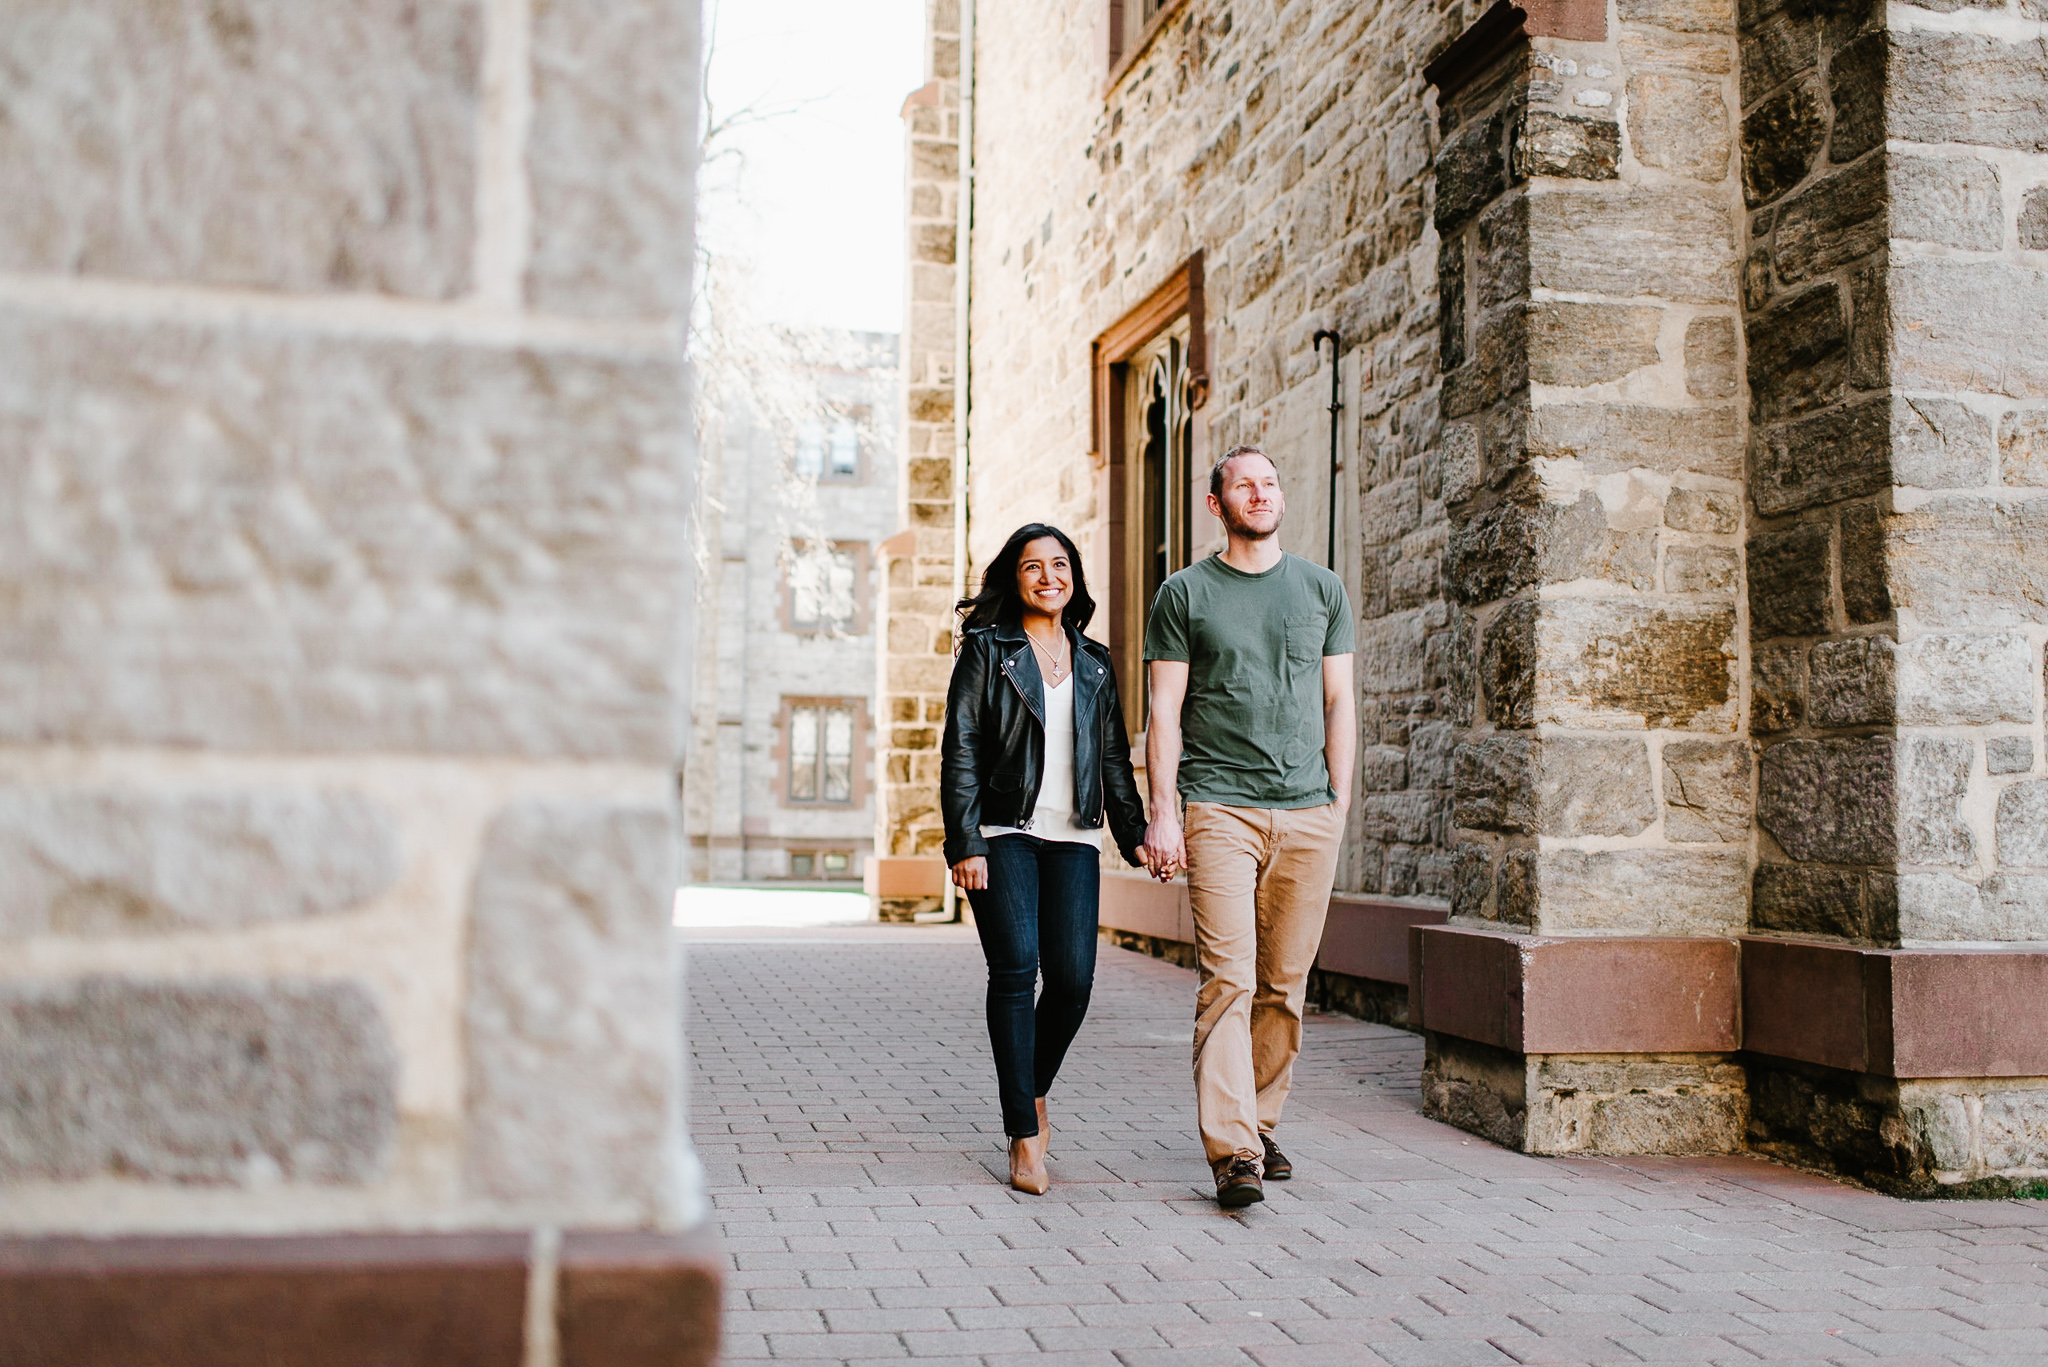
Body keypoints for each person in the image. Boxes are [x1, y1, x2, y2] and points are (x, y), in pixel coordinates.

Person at [1140, 446, 1356, 1208]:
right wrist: (1162, 812)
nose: (1259, 494)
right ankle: (1233, 1150)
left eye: (1269, 482)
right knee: (1228, 980)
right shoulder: (1185, 594)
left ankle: (1259, 1124)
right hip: (1219, 806)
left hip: (1308, 810)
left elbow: (1339, 701)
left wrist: (1339, 801)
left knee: (1285, 983)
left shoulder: (1322, 589)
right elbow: (1163, 709)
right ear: (1216, 503)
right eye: (1243, 485)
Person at [941, 523, 1149, 1195]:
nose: (1048, 576)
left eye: (1059, 564)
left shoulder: (1094, 661)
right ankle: (1023, 1135)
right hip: (1003, 830)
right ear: (1016, 577)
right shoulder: (987, 648)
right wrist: (964, 840)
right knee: (1016, 967)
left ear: (1074, 576)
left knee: (1072, 982)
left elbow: (1113, 756)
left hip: (1075, 836)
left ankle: (1031, 1089)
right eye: (1033, 566)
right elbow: (963, 746)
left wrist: (1136, 833)